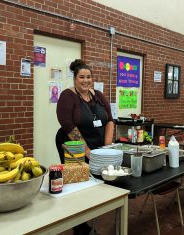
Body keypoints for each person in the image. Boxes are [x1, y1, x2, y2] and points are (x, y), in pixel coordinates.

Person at [55, 59, 114, 234]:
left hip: (97, 143)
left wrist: (107, 148)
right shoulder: (68, 95)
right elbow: (68, 125)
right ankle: (79, 227)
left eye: (88, 77)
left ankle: (89, 216)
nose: (85, 80)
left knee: (95, 182)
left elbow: (110, 120)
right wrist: (87, 151)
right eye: (82, 77)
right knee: (77, 184)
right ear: (75, 79)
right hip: (72, 144)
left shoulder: (98, 95)